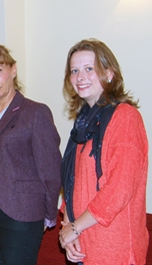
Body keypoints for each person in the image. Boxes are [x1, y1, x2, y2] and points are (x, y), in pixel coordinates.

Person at [0, 44, 62, 265]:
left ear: (13, 70)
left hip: (21, 214)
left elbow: (51, 169)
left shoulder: (35, 112)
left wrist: (48, 213)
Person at [59, 39, 149, 265]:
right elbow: (73, 184)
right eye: (74, 71)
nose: (80, 77)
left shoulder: (125, 118)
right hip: (84, 248)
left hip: (114, 249)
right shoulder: (82, 125)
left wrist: (75, 228)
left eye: (89, 69)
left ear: (109, 73)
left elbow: (119, 189)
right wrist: (67, 229)